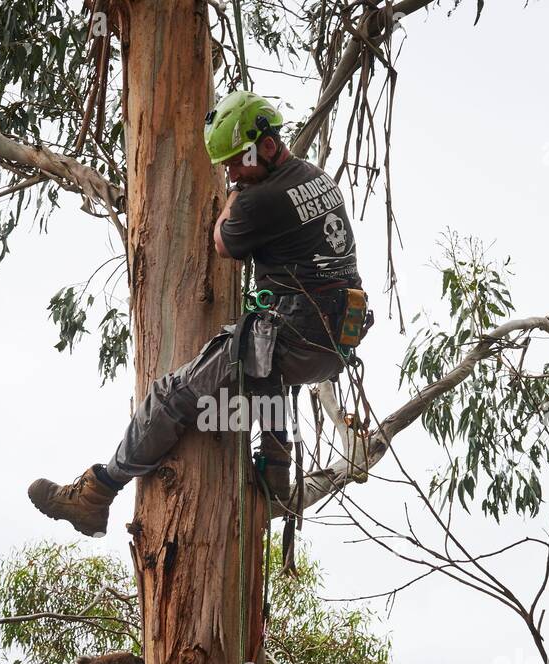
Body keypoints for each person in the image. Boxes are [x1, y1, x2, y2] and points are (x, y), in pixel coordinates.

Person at [28, 90, 365, 537]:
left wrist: (232, 198)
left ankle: (97, 492)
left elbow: (223, 242)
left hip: (297, 335)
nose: (230, 173)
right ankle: (277, 470)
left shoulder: (255, 201)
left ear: (265, 145)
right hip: (337, 338)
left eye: (234, 162)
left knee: (172, 393)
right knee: (265, 365)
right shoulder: (316, 177)